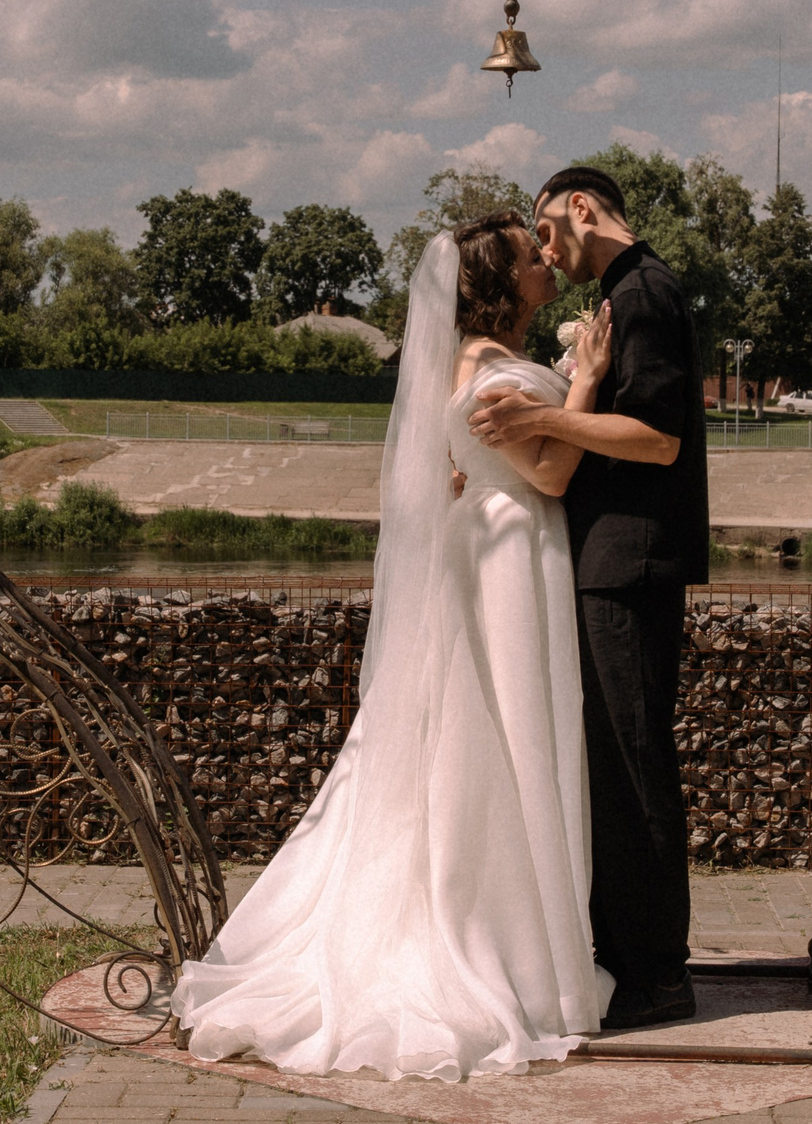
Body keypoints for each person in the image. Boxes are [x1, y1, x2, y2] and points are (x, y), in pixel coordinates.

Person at [170, 213, 618, 1080]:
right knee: (511, 738)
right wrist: (587, 382)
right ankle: (509, 949)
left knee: (482, 745)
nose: (545, 262)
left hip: (487, 544)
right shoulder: (492, 372)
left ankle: (513, 929)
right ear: (499, 283)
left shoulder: (470, 364)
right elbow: (554, 475)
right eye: (531, 258)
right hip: (508, 553)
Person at [467, 166, 708, 1031]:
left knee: (633, 761)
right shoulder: (623, 292)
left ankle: (659, 971)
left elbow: (658, 438)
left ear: (581, 208)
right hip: (607, 560)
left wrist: (544, 420)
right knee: (610, 761)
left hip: (629, 561)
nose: (545, 246)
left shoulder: (643, 293)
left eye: (547, 226)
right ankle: (625, 950)